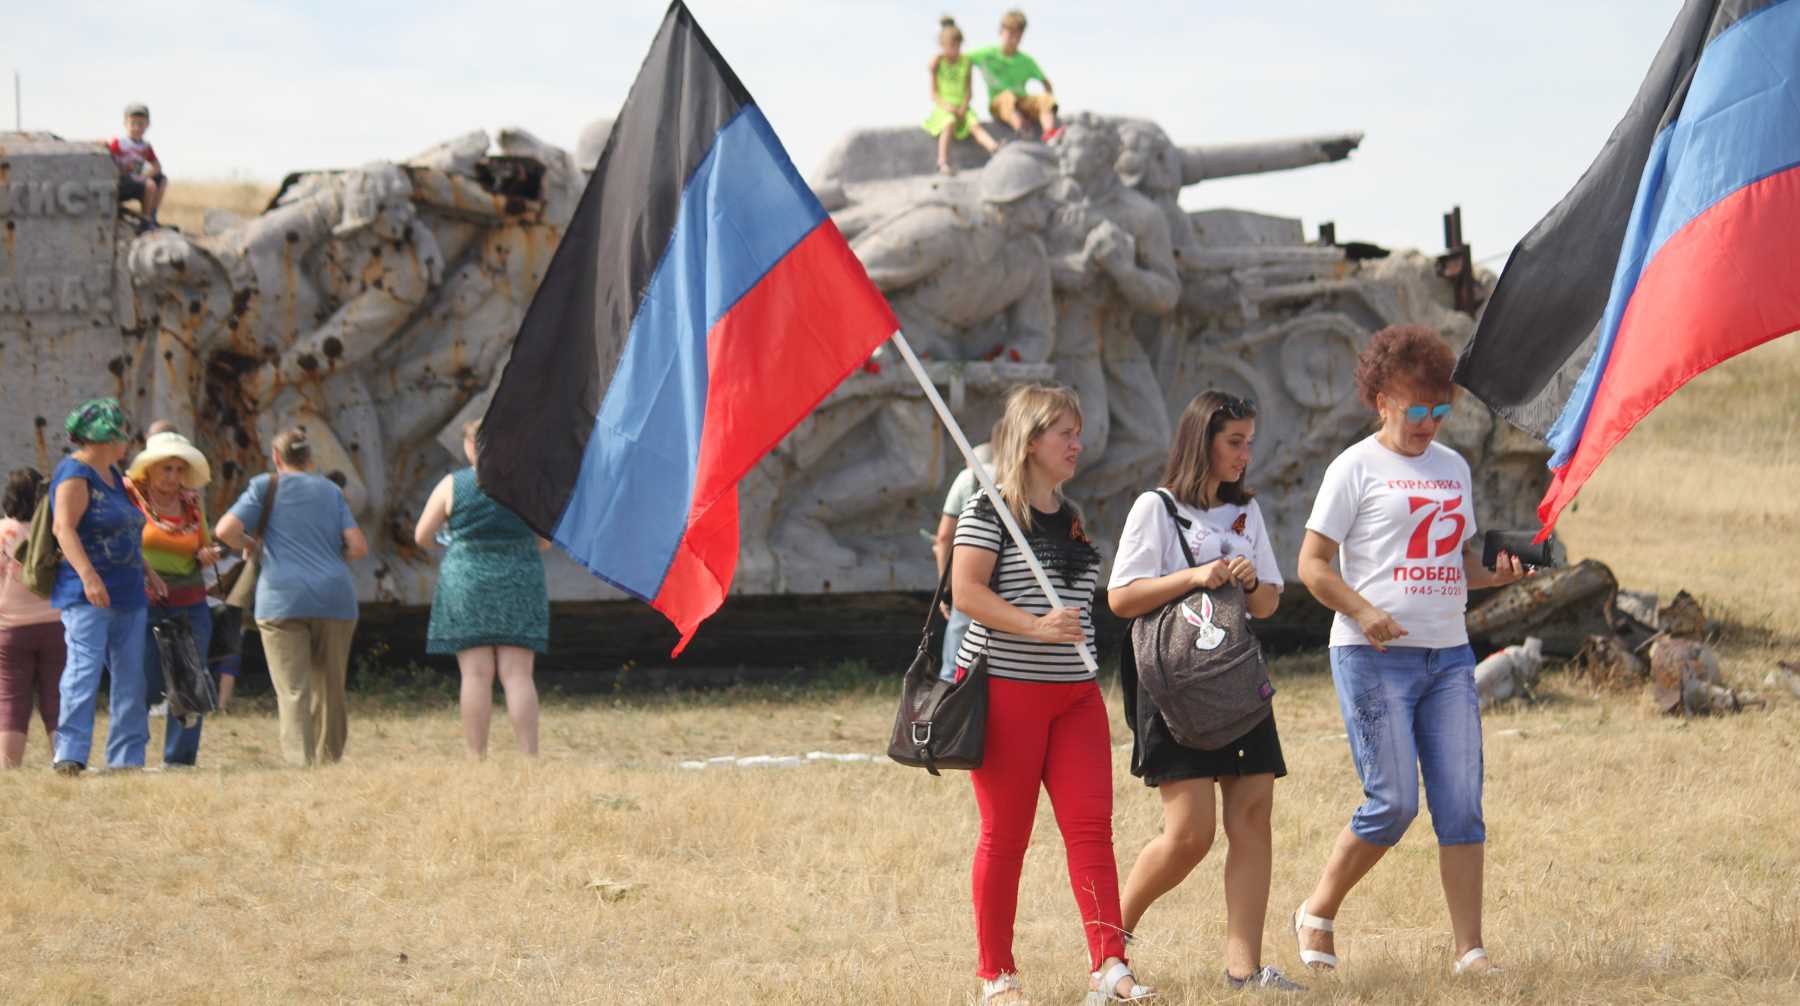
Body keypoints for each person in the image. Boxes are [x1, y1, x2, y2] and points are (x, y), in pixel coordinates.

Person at [1292, 325, 1526, 977]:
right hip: (1370, 658)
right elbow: (1312, 565)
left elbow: (1458, 563)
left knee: (1460, 802)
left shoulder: (1453, 469)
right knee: (1393, 802)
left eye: (1440, 409)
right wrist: (1363, 611)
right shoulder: (1354, 468)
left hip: (1448, 656)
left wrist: (1500, 572)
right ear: (1380, 400)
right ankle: (1317, 911)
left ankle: (1469, 951)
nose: (1429, 423)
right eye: (1416, 409)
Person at [949, 384, 1153, 1004]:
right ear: (1033, 438)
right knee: (1005, 836)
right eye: (1066, 432)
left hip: (1075, 697)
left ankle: (1109, 965)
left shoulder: (1069, 514)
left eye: (1077, 431)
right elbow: (966, 592)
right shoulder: (989, 510)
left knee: (1092, 831)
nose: (1077, 443)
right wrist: (1036, 625)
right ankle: (996, 974)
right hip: (1006, 692)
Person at [1107, 391, 1304, 992]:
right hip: (1173, 685)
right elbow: (1120, 598)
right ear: (1202, 441)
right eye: (1233, 442)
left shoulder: (1247, 511)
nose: (1245, 454)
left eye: (1249, 440)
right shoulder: (1155, 508)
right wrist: (1194, 575)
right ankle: (1108, 946)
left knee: (1252, 815)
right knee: (1189, 834)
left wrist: (1247, 582)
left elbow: (1268, 603)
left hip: (1235, 679)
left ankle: (1245, 970)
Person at [215, 429, 367, 767]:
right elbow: (358, 546)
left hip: (281, 599)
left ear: (276, 456)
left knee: (293, 688)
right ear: (310, 458)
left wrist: (251, 546)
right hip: (335, 598)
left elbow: (225, 531)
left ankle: (301, 763)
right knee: (331, 685)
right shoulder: (330, 490)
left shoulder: (264, 486)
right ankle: (330, 761)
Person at [412, 420, 549, 758]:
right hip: (520, 577)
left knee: (474, 674)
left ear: (470, 447)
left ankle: (477, 756)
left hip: (467, 578)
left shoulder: (452, 485)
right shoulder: (527, 486)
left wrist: (451, 539)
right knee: (517, 674)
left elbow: (421, 536)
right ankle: (529, 756)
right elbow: (545, 540)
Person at [48, 398, 163, 774]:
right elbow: (63, 528)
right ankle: (70, 754)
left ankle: (127, 758)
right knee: (83, 670)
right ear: (101, 438)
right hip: (88, 596)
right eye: (119, 435)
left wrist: (148, 571)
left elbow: (126, 530)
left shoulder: (116, 477)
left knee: (131, 677)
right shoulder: (75, 474)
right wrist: (88, 576)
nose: (125, 441)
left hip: (129, 592)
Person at [127, 429, 221, 766]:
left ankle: (180, 761)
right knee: (146, 682)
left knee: (191, 678)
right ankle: (131, 750)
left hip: (190, 600)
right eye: (167, 468)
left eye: (180, 469)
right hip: (144, 601)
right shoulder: (132, 499)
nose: (174, 477)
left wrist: (208, 554)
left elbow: (201, 545)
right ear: (148, 469)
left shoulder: (192, 504)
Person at [0, 468, 66, 768]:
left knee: (12, 697)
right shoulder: (53, 530)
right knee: (57, 695)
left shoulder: (2, 532)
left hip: (10, 626)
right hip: (55, 623)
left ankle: (9, 764)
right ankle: (64, 758)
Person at [931, 442, 993, 678]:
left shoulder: (968, 477)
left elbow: (945, 536)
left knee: (953, 665)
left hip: (973, 575)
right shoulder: (1019, 475)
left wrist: (945, 587)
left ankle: (949, 704)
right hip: (1011, 581)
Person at [924, 16, 1001, 174]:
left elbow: (968, 90)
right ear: (943, 46)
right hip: (944, 108)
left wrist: (963, 107)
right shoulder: (937, 63)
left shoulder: (965, 62)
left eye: (958, 46)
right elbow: (933, 94)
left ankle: (995, 148)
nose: (955, 50)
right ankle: (942, 162)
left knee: (975, 125)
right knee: (949, 123)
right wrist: (948, 107)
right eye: (952, 46)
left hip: (963, 107)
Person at [968, 9, 1060, 140]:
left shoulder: (1025, 60)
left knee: (1044, 98)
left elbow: (1046, 82)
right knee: (1007, 96)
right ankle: (1022, 130)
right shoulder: (987, 55)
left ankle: (1050, 132)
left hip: (1021, 101)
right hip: (999, 102)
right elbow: (961, 60)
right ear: (1001, 31)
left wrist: (1047, 105)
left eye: (1017, 36)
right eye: (1010, 34)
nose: (1013, 39)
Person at [109, 102, 167, 232]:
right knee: (150, 185)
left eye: (141, 124)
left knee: (161, 180)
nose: (137, 128)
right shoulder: (119, 143)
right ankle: (145, 222)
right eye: (133, 124)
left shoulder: (145, 146)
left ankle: (151, 216)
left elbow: (157, 165)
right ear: (125, 124)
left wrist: (143, 176)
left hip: (136, 178)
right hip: (121, 181)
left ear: (147, 125)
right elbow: (110, 160)